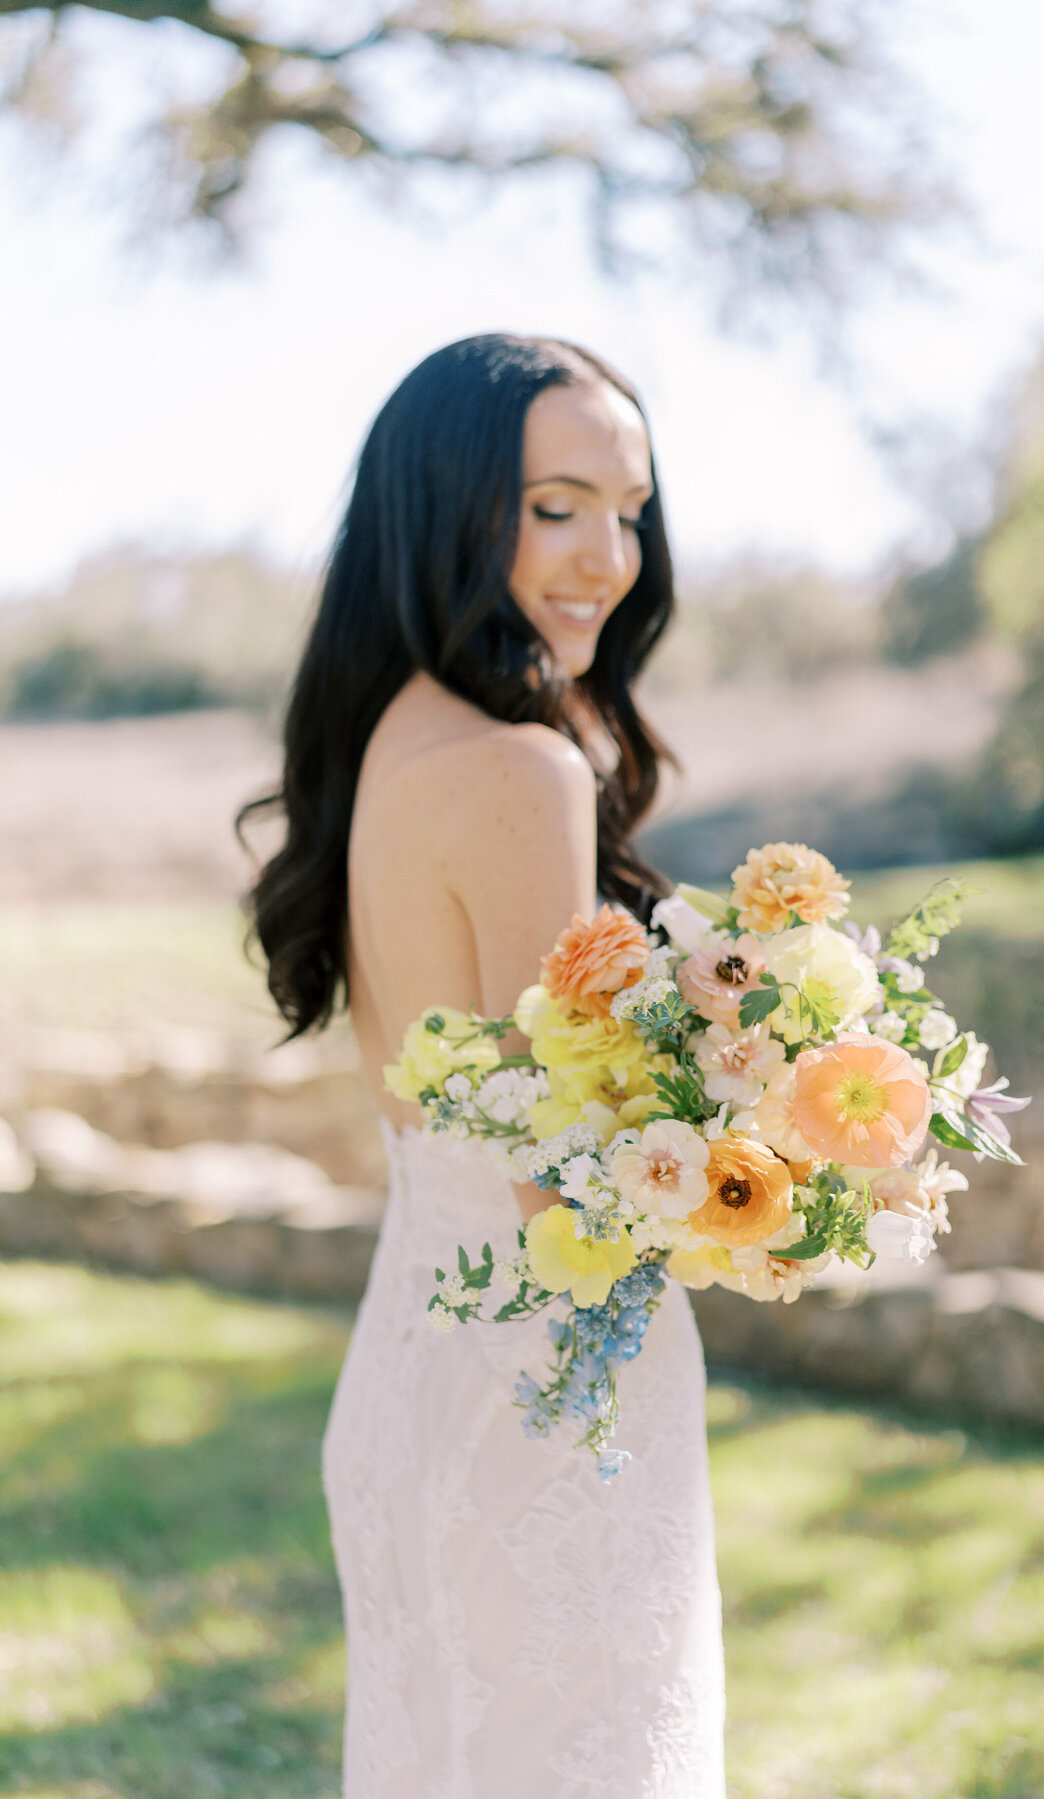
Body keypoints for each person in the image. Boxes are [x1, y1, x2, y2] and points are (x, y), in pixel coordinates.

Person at [241, 334, 726, 1797]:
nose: (608, 557)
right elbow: (561, 1195)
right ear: (452, 508)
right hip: (550, 1397)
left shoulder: (393, 736)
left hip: (412, 1370)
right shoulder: (526, 775)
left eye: (629, 511)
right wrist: (780, 1134)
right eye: (558, 505)